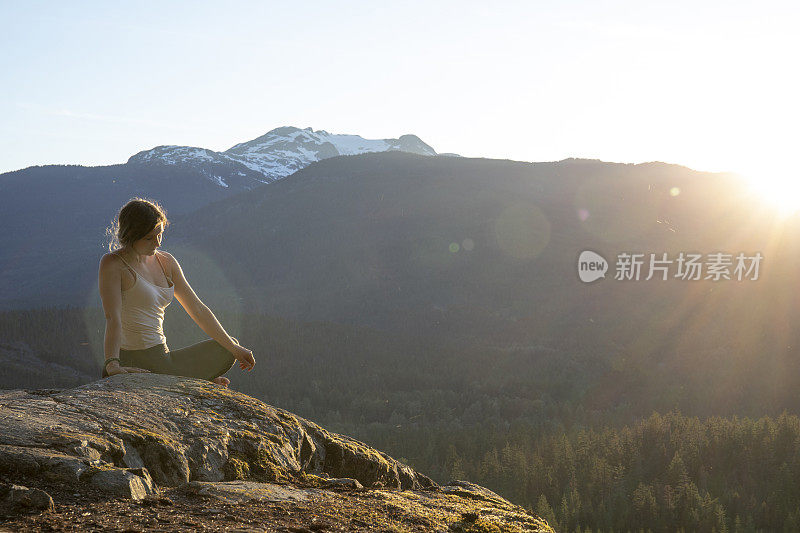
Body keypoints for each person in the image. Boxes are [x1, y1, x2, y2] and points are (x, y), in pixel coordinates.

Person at [98, 197, 255, 387]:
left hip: (162, 357)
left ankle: (191, 379)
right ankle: (196, 381)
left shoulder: (166, 262)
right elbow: (112, 317)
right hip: (132, 359)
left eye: (160, 234)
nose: (157, 243)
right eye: (149, 237)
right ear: (131, 235)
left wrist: (235, 348)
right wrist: (112, 364)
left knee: (228, 347)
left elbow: (197, 308)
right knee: (227, 347)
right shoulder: (114, 264)